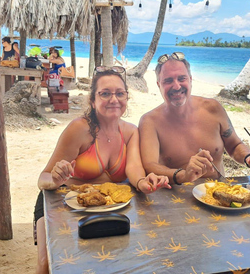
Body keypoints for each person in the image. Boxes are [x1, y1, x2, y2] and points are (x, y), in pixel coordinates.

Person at [35, 66, 171, 274]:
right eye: (105, 94)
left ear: (126, 98)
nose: (113, 99)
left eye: (120, 93)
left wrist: (143, 183)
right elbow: (43, 178)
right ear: (92, 100)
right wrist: (55, 179)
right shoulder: (79, 129)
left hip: (108, 209)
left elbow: (134, 168)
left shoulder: (131, 132)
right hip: (61, 205)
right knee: (48, 265)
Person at [139, 52, 250, 185]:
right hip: (177, 199)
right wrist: (184, 175)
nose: (176, 86)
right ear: (159, 84)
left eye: (182, 78)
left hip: (219, 195)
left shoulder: (213, 108)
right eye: (168, 80)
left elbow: (234, 145)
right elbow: (150, 166)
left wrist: (249, 158)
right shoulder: (150, 122)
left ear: (190, 79)